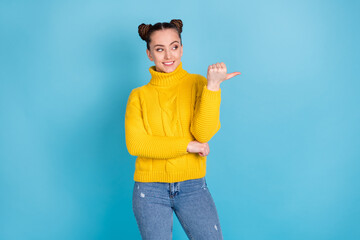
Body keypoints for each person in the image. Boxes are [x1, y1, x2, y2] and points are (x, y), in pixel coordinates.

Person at [125, 19, 240, 240]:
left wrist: (213, 87)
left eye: (174, 47)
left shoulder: (200, 84)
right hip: (149, 190)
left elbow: (203, 134)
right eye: (160, 49)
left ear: (182, 49)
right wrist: (187, 146)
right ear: (149, 54)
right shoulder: (138, 96)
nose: (169, 56)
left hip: (193, 186)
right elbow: (137, 144)